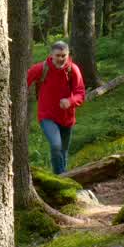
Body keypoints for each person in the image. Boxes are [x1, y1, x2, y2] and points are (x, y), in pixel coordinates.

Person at [26, 41, 86, 174]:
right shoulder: (41, 68)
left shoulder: (73, 70)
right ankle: (61, 177)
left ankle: (62, 177)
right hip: (47, 116)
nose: (61, 59)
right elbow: (23, 81)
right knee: (56, 145)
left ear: (68, 54)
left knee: (63, 152)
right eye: (58, 55)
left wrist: (70, 101)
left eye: (63, 55)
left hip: (67, 118)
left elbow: (80, 93)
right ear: (51, 55)